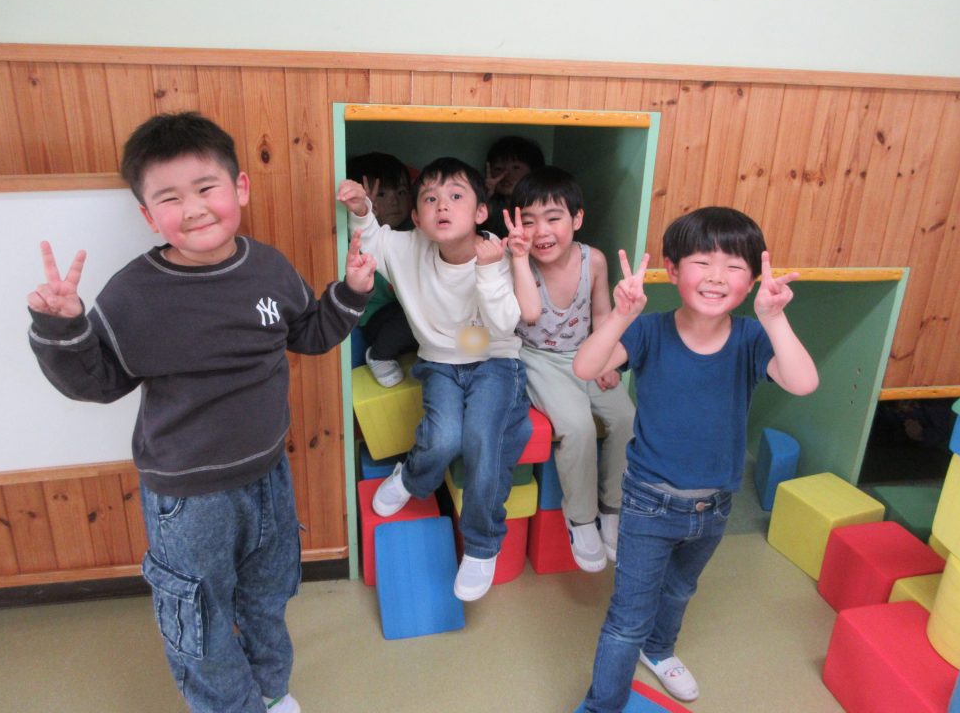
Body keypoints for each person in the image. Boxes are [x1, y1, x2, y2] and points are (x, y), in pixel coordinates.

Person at [27, 112, 376, 713]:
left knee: (268, 595)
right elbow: (98, 382)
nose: (192, 209)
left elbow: (309, 334)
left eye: (205, 188)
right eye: (169, 198)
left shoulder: (268, 267)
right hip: (188, 500)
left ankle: (270, 690)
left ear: (240, 188)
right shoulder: (133, 293)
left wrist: (351, 294)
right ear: (148, 215)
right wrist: (62, 328)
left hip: (269, 475)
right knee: (200, 618)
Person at [574, 207, 818, 710]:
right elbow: (586, 366)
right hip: (648, 503)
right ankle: (603, 704)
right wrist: (621, 315)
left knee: (681, 590)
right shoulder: (649, 332)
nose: (716, 277)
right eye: (702, 262)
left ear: (751, 281)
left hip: (714, 504)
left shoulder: (751, 338)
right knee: (627, 619)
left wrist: (775, 319)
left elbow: (803, 382)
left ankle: (660, 650)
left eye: (734, 266)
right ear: (672, 269)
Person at [336, 157, 532, 602]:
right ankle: (412, 478)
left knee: (483, 440)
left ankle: (482, 545)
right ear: (417, 217)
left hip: (494, 360)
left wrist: (488, 272)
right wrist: (362, 209)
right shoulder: (409, 248)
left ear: (480, 212)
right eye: (430, 198)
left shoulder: (497, 254)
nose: (442, 205)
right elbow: (373, 238)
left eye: (455, 196)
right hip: (441, 362)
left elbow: (506, 325)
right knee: (442, 438)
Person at [505, 166, 635, 573]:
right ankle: (580, 519)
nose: (541, 231)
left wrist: (607, 357)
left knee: (627, 418)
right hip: (538, 358)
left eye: (553, 218)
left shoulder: (593, 260)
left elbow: (601, 312)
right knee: (577, 428)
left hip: (586, 353)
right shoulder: (518, 262)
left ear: (577, 219)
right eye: (529, 221)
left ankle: (612, 507)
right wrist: (517, 259)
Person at [346, 152, 418, 387]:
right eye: (382, 194)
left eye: (402, 192)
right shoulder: (354, 237)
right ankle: (379, 355)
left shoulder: (413, 232)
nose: (395, 201)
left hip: (406, 319)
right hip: (374, 320)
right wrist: (362, 214)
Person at [481, 135, 545, 240]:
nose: (506, 174)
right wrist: (484, 194)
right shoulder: (490, 206)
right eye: (498, 168)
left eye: (516, 168)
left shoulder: (543, 203)